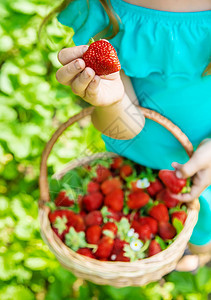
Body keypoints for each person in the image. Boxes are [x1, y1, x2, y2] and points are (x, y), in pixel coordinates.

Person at [54, 0, 211, 271]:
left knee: (203, 232)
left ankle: (201, 254)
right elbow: (126, 125)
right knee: (158, 217)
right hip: (140, 154)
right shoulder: (105, 7)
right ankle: (178, 252)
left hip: (204, 157)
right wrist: (112, 102)